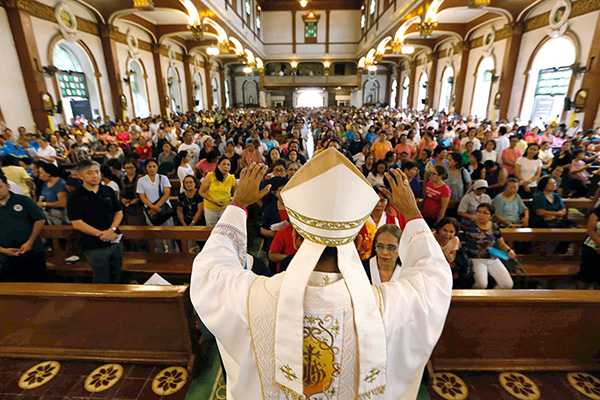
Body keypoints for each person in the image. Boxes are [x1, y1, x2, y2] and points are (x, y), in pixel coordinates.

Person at [190, 150, 452, 400]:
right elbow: (435, 277)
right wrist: (412, 213)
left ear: (293, 237)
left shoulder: (251, 299)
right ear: (360, 241)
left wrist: (237, 204)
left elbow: (210, 270)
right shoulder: (390, 306)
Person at [67, 159, 123, 284]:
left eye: (97, 172)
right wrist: (101, 234)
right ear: (80, 176)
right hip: (93, 244)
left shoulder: (107, 190)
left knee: (117, 275)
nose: (95, 176)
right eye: (90, 173)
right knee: (101, 277)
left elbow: (118, 212)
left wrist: (111, 230)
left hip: (114, 239)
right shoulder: (75, 196)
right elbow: (77, 222)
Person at [0, 173, 47, 282]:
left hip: (32, 250)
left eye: (0, 187)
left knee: (39, 282)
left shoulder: (24, 200)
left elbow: (40, 219)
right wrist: (2, 250)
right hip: (6, 254)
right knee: (15, 286)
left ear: (7, 186)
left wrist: (30, 242)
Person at [461, 203, 515, 289]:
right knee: (481, 284)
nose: (481, 215)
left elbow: (502, 244)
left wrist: (509, 251)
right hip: (475, 258)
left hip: (492, 258)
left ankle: (491, 299)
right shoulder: (467, 225)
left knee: (507, 285)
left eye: (485, 213)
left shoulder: (494, 227)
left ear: (491, 216)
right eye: (479, 212)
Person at [137, 158, 177, 253]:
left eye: (154, 166)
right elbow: (142, 197)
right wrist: (152, 207)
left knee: (169, 233)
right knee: (155, 234)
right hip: (150, 211)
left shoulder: (163, 178)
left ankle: (172, 252)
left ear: (157, 167)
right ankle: (159, 252)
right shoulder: (141, 180)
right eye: (149, 167)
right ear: (146, 168)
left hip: (163, 209)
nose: (152, 169)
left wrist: (157, 207)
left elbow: (166, 193)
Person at [434, 217, 473, 289]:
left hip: (445, 266)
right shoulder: (430, 238)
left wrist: (448, 256)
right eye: (444, 230)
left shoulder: (455, 240)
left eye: (451, 232)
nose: (447, 234)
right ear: (439, 229)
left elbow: (451, 258)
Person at [198, 156, 236, 226]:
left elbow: (234, 193)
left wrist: (231, 200)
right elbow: (201, 192)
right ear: (218, 166)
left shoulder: (232, 178)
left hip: (225, 208)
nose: (226, 167)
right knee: (211, 228)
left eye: (228, 165)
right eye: (223, 164)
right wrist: (212, 200)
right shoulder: (210, 176)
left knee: (224, 227)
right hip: (211, 208)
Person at [578, 206, 600, 289]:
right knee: (585, 278)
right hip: (592, 248)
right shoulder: (597, 212)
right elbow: (591, 230)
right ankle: (579, 299)